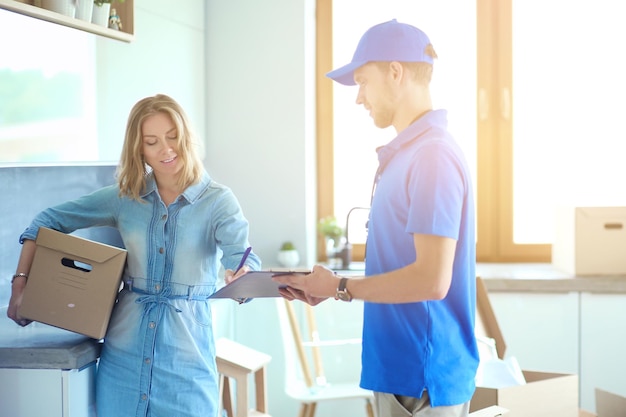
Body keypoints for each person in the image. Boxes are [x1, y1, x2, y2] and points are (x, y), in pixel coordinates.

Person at [7, 93, 261, 417]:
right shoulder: (125, 198)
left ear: (186, 136)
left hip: (186, 365)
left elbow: (244, 261)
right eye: (152, 141)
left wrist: (243, 278)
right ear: (139, 149)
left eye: (172, 137)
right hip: (122, 362)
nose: (166, 150)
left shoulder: (219, 202)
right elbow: (45, 222)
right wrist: (21, 286)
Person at [274, 19, 478, 417]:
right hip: (400, 373)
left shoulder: (431, 155)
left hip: (421, 379)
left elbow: (432, 280)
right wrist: (331, 286)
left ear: (396, 72)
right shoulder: (405, 155)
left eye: (364, 82)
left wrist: (341, 287)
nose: (359, 98)